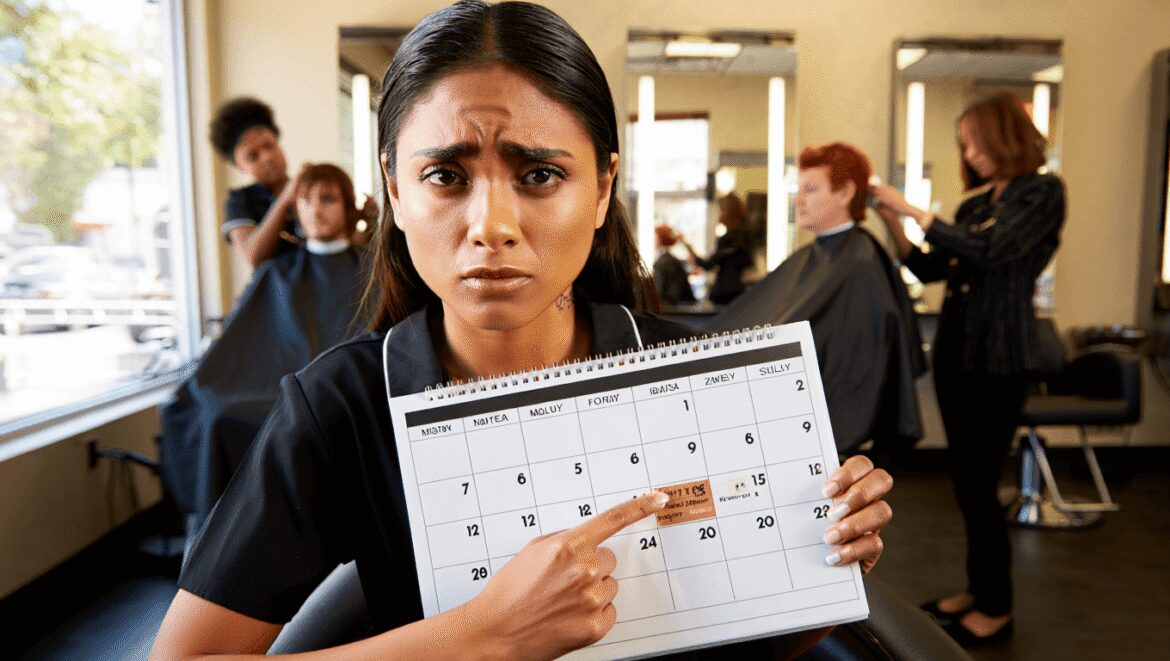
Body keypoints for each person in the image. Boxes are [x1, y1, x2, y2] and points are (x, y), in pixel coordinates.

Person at [151, 3, 893, 659]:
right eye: (445, 175)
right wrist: (481, 635)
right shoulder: (340, 407)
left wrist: (820, 568)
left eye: (539, 174)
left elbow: (750, 638)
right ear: (395, 191)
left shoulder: (696, 374)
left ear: (602, 187)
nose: (492, 227)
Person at [872, 91, 1066, 646]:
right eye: (964, 144)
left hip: (1001, 360)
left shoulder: (1043, 193)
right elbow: (930, 266)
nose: (970, 153)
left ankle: (997, 606)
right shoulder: (976, 205)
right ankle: (980, 591)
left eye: (974, 141)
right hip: (959, 357)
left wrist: (912, 207)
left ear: (1003, 136)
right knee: (967, 485)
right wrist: (893, 221)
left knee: (980, 486)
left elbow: (992, 252)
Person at [159, 163, 369, 525]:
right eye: (305, 200)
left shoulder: (369, 271)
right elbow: (238, 348)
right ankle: (217, 538)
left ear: (347, 207)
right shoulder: (277, 272)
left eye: (328, 199)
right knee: (210, 413)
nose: (315, 210)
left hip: (339, 390)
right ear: (293, 209)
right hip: (266, 389)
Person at [712, 143, 926, 456]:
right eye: (798, 189)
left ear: (845, 193)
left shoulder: (859, 263)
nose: (798, 200)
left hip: (834, 430)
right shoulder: (815, 258)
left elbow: (856, 368)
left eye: (810, 189)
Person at [210, 99, 377, 268]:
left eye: (269, 145)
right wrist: (286, 198)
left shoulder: (308, 192)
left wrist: (366, 224)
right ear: (240, 167)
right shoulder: (240, 201)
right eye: (253, 156)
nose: (267, 157)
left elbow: (342, 247)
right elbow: (252, 256)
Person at [681, 192, 754, 304]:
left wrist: (690, 250)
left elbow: (709, 264)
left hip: (727, 293)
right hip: (742, 291)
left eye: (721, 210)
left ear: (729, 212)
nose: (719, 215)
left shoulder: (731, 238)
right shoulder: (747, 235)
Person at [652, 224, 697, 305]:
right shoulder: (673, 261)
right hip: (682, 306)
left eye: (655, 237)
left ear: (659, 239)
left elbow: (659, 292)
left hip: (671, 309)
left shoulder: (662, 263)